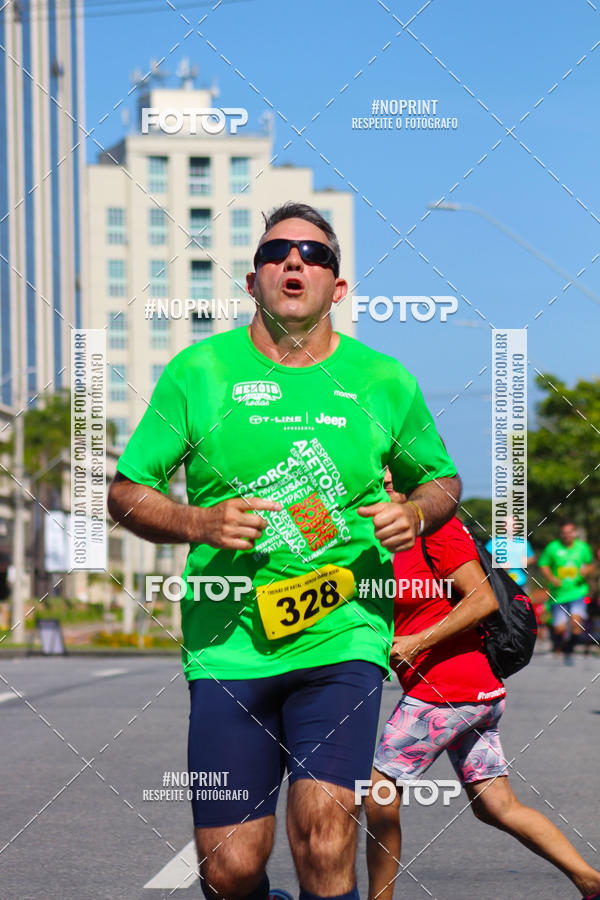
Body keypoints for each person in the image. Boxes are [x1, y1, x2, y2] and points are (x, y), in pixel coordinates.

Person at [107, 202, 461, 900]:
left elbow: (442, 479)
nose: (295, 261)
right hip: (229, 644)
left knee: (325, 838)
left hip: (344, 635)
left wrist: (414, 511)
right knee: (232, 869)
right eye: (277, 252)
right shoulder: (198, 373)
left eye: (315, 254)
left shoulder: (382, 380)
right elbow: (126, 491)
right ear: (252, 281)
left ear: (339, 286)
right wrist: (198, 523)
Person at [364, 492, 600, 900]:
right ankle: (592, 882)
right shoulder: (375, 536)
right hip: (469, 694)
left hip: (446, 691)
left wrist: (417, 643)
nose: (380, 487)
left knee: (378, 792)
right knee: (496, 806)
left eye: (390, 479)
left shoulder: (435, 529)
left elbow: (483, 599)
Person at [539, 521, 595, 663]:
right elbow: (543, 564)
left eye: (570, 532)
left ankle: (569, 649)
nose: (567, 535)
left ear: (574, 533)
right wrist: (551, 578)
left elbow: (590, 564)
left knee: (576, 624)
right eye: (564, 532)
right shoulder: (553, 547)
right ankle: (559, 645)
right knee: (559, 628)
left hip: (578, 592)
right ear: (561, 534)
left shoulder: (583, 548)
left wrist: (586, 570)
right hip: (558, 594)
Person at [485, 517, 535, 588]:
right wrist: (497, 566)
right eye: (509, 525)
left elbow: (532, 558)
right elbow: (484, 559)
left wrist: (528, 561)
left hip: (521, 584)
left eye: (514, 525)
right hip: (499, 584)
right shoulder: (493, 543)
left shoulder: (524, 543)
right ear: (503, 526)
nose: (512, 527)